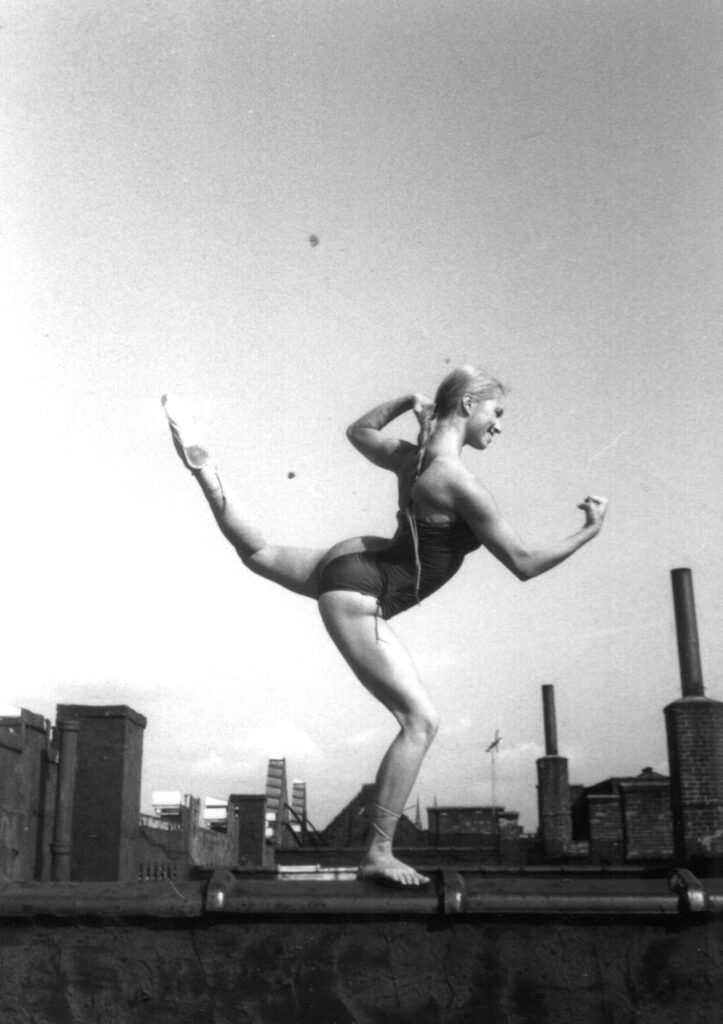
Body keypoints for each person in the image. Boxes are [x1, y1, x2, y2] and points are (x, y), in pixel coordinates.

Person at [162, 366, 607, 887]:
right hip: (365, 593)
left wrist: (404, 399)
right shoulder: (459, 481)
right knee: (420, 721)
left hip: (353, 559)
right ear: (468, 405)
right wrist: (589, 531)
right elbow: (524, 563)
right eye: (497, 411)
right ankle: (378, 852)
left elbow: (358, 432)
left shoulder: (412, 459)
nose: (500, 425)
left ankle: (206, 473)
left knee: (258, 553)